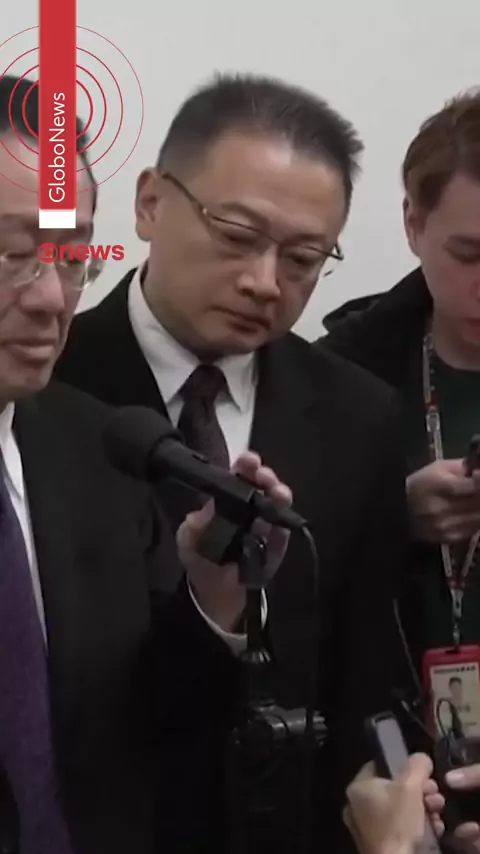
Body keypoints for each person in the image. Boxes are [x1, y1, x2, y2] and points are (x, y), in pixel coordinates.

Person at [54, 73, 411, 849]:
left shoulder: (361, 416)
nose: (264, 283)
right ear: (150, 203)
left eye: (303, 258)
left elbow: (364, 677)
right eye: (237, 236)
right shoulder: (49, 387)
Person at [0, 75, 294, 854]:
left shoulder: (98, 449)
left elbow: (148, 729)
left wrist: (210, 598)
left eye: (72, 257)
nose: (51, 298)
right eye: (14, 254)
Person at [319, 89, 480, 849]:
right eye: (468, 255)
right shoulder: (337, 376)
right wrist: (391, 512)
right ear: (412, 224)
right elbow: (286, 590)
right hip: (382, 764)